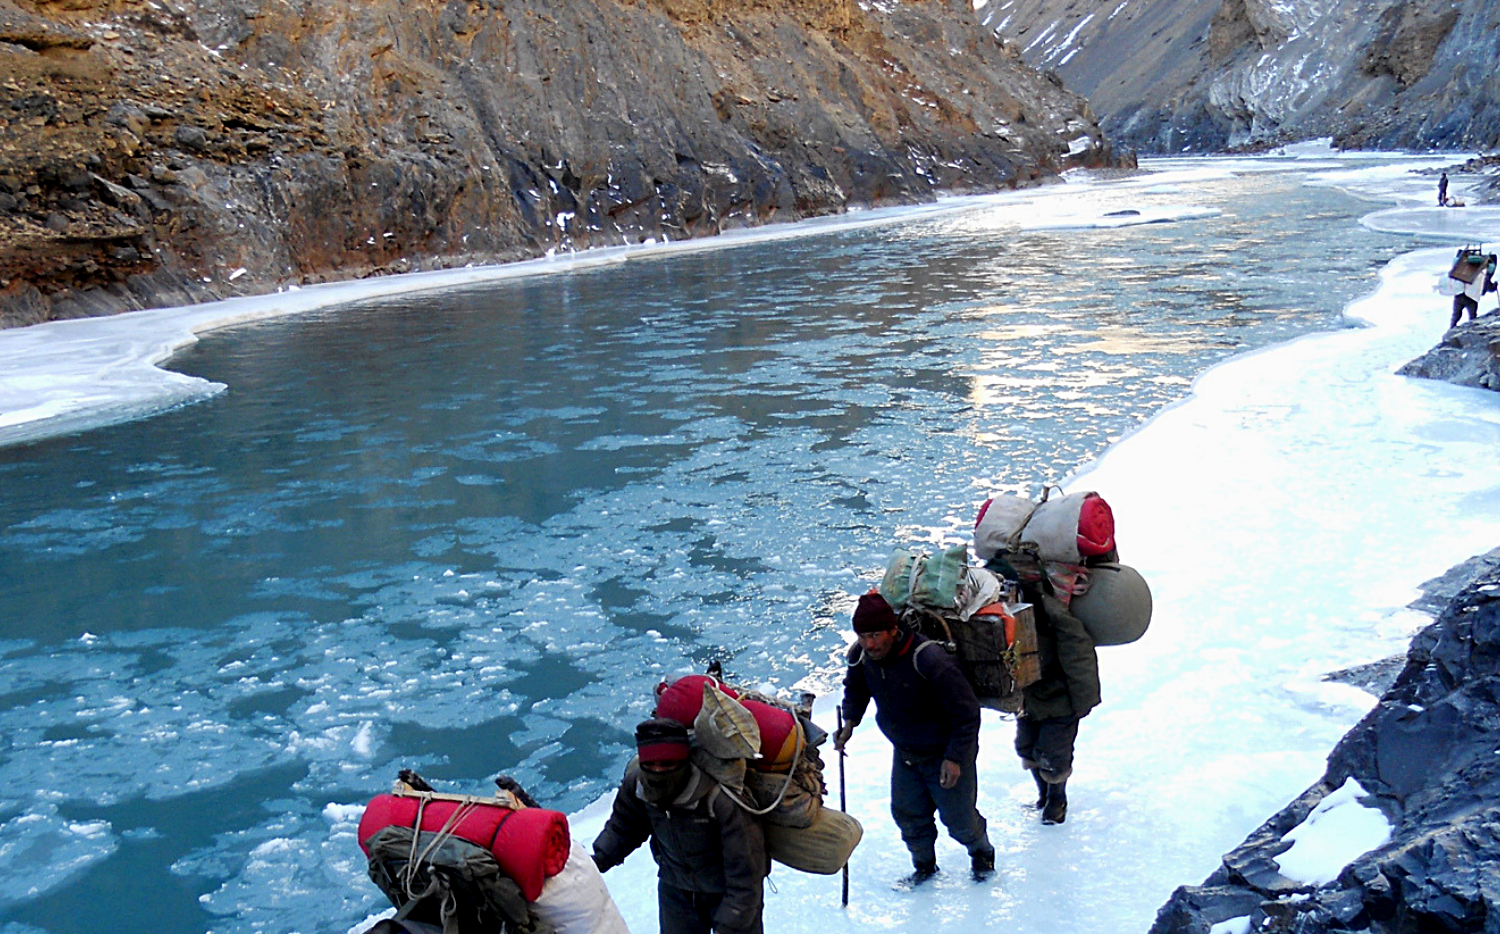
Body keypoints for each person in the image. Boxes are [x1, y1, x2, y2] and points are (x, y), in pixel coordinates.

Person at [834, 591, 995, 884]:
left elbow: (967, 713)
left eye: (875, 635)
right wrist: (850, 720)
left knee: (958, 819)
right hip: (905, 751)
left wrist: (955, 758)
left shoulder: (930, 659)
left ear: (893, 630)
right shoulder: (861, 656)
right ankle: (924, 867)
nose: (869, 644)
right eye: (862, 636)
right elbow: (856, 688)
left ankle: (981, 852)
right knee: (908, 815)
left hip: (944, 751)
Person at [592, 718, 768, 934]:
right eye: (650, 765)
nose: (657, 771)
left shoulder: (721, 799)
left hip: (728, 891)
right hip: (676, 889)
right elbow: (624, 827)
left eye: (667, 764)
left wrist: (735, 915)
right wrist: (597, 861)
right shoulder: (638, 784)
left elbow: (747, 867)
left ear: (684, 761)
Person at [982, 560, 1102, 825]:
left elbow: (1078, 655)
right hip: (1029, 699)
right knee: (1026, 747)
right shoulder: (994, 617)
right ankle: (1043, 793)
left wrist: (1082, 701)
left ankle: (1056, 799)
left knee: (1053, 754)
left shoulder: (1050, 615)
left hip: (1059, 698)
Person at [1451, 252, 1498, 329]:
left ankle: (1451, 329)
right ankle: (1471, 331)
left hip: (1459, 295)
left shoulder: (1463, 269)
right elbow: (1487, 286)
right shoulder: (1483, 272)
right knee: (1472, 317)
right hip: (1472, 297)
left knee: (1456, 316)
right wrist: (1494, 286)